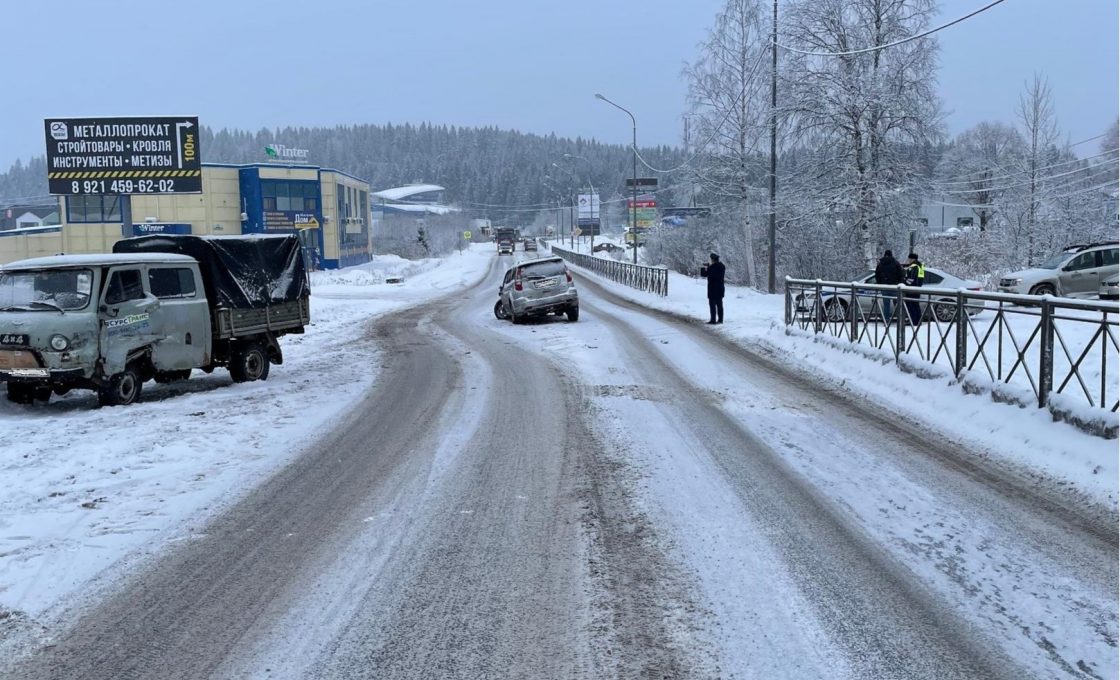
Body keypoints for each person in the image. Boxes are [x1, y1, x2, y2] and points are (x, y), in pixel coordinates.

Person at [874, 249, 904, 323]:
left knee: (886, 304)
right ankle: (899, 319)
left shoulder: (880, 264)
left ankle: (886, 319)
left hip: (884, 286)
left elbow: (877, 275)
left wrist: (880, 283)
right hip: (895, 286)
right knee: (897, 304)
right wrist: (899, 283)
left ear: (884, 255)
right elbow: (901, 274)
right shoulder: (896, 263)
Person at [700, 252, 726, 324]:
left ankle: (713, 320)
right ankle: (720, 320)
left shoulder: (712, 268)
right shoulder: (722, 266)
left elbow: (704, 274)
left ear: (713, 260)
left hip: (712, 289)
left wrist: (706, 267)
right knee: (719, 305)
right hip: (720, 288)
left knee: (712, 305)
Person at [903, 252, 925, 325]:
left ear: (912, 259)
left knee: (911, 305)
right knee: (915, 305)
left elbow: (911, 279)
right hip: (917, 288)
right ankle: (917, 321)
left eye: (909, 259)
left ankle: (913, 321)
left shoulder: (914, 267)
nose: (908, 260)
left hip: (912, 289)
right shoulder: (919, 266)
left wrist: (904, 281)